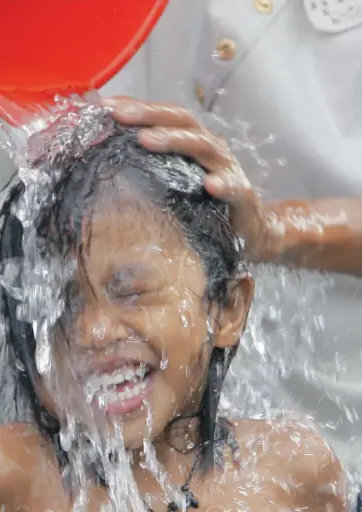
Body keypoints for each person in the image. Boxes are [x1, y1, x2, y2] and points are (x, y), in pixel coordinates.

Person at [0, 106, 347, 511]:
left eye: (131, 291)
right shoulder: (12, 475)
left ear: (227, 308)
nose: (93, 330)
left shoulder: (290, 471)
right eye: (58, 305)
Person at [96, 0, 362, 474]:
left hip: (327, 398)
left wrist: (270, 231)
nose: (92, 329)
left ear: (234, 307)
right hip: (118, 402)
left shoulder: (306, 472)